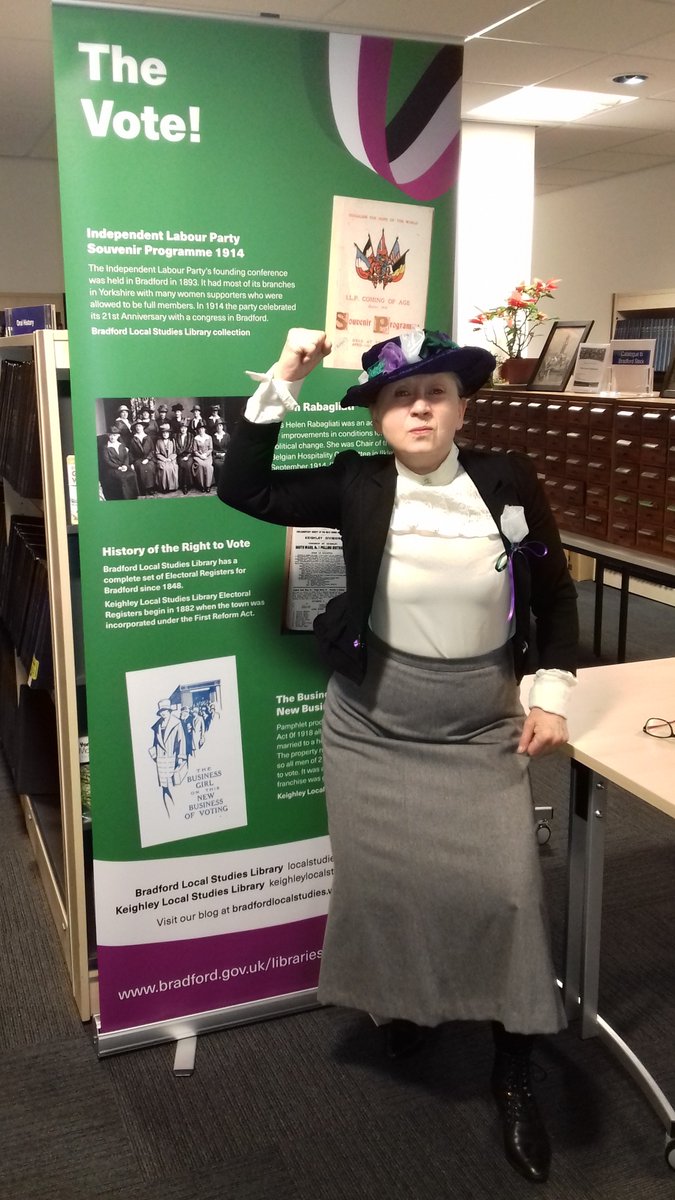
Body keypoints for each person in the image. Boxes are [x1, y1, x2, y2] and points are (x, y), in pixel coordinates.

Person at [218, 327, 578, 1185]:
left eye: (437, 394)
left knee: (505, 895)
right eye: (398, 397)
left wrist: (551, 691)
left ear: (460, 407)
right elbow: (244, 488)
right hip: (372, 726)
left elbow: (556, 590)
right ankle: (410, 1007)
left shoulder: (505, 480)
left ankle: (512, 1067)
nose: (419, 407)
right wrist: (282, 379)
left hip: (479, 724)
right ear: (377, 416)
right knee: (391, 889)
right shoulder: (356, 481)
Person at [148, 699, 187, 815]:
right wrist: (154, 755)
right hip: (160, 761)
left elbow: (182, 741)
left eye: (165, 710)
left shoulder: (177, 723)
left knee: (174, 787)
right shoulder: (157, 726)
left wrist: (181, 759)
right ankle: (169, 812)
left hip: (172, 759)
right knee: (164, 787)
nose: (163, 713)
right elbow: (155, 742)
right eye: (161, 711)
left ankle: (177, 813)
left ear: (169, 710)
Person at [100, 425, 139, 500]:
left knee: (132, 473)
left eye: (114, 435)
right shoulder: (105, 447)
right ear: (108, 435)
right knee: (122, 477)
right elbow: (107, 461)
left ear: (118, 436)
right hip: (112, 468)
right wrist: (118, 467)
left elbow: (126, 456)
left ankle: (133, 496)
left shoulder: (121, 445)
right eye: (110, 435)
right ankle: (125, 497)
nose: (112, 437)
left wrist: (125, 465)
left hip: (123, 466)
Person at [128, 420, 156, 496]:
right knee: (140, 467)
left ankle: (150, 488)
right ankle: (143, 488)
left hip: (148, 458)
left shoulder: (148, 437)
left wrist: (148, 459)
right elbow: (130, 452)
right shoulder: (133, 439)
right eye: (136, 427)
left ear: (143, 427)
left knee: (150, 466)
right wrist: (131, 463)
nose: (138, 428)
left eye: (140, 426)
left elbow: (152, 450)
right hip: (138, 459)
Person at [154, 423, 179, 493]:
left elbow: (175, 452)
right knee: (164, 469)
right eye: (163, 433)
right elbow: (157, 453)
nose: (165, 434)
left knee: (172, 467)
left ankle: (172, 487)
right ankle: (164, 487)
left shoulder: (172, 441)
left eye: (167, 433)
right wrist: (164, 459)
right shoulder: (158, 442)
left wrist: (170, 459)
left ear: (169, 434)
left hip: (171, 459)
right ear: (162, 434)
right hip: (162, 460)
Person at [191, 421, 214, 492]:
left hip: (207, 456)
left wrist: (206, 454)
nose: (201, 430)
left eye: (203, 429)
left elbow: (211, 449)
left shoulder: (209, 437)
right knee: (200, 465)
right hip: (198, 456)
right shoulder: (196, 438)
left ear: (205, 429)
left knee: (208, 466)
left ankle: (208, 485)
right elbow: (194, 450)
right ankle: (201, 485)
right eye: (200, 429)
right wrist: (200, 456)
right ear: (198, 430)